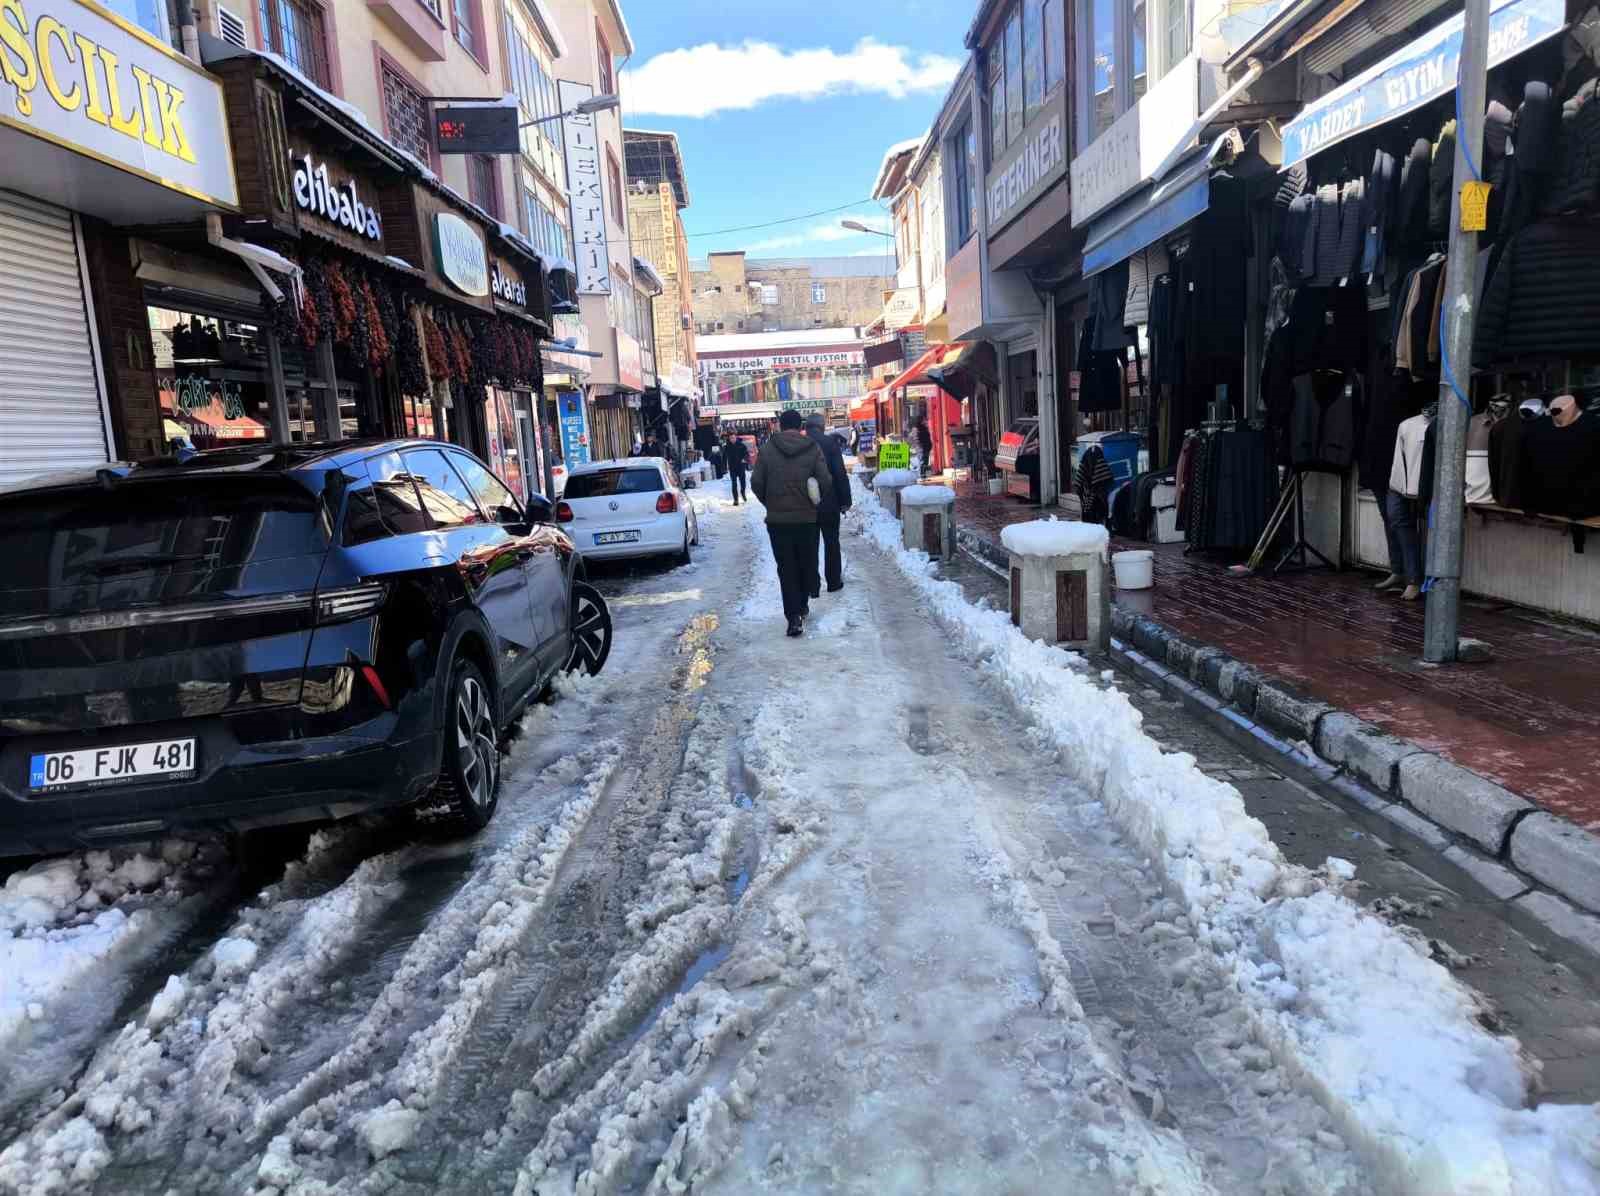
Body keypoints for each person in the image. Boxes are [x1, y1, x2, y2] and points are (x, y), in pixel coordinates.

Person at [751, 409, 831, 637]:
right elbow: (825, 480)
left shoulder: (766, 450)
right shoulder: (812, 448)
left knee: (786, 567)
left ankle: (793, 616)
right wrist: (814, 499)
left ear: (780, 426)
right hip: (806, 519)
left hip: (778, 522)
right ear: (801, 426)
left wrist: (770, 502)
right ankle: (803, 603)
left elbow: (757, 482)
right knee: (806, 561)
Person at [805, 412, 852, 595]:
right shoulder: (829, 443)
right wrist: (845, 501)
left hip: (807, 504)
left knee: (810, 546)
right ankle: (833, 581)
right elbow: (839, 473)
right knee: (831, 543)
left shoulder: (801, 444)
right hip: (829, 502)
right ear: (821, 426)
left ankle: (813, 587)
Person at [725, 434, 750, 504]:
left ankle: (742, 492)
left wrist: (744, 459)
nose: (732, 439)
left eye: (733, 438)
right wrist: (724, 467)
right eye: (731, 438)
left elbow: (746, 454)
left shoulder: (741, 445)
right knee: (734, 483)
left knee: (743, 482)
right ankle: (736, 499)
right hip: (732, 468)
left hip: (741, 467)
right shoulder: (727, 446)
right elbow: (724, 457)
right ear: (729, 439)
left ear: (735, 438)